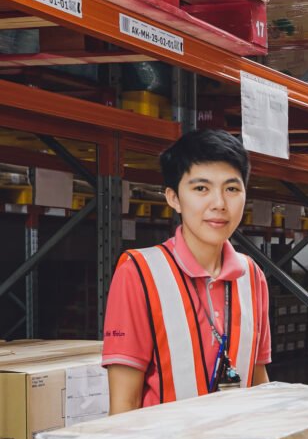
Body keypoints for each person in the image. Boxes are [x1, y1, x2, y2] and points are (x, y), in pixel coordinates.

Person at [102, 129, 272, 414]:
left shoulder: (252, 275)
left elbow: (257, 381)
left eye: (231, 189)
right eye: (201, 189)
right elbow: (124, 404)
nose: (219, 204)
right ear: (174, 198)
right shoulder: (139, 272)